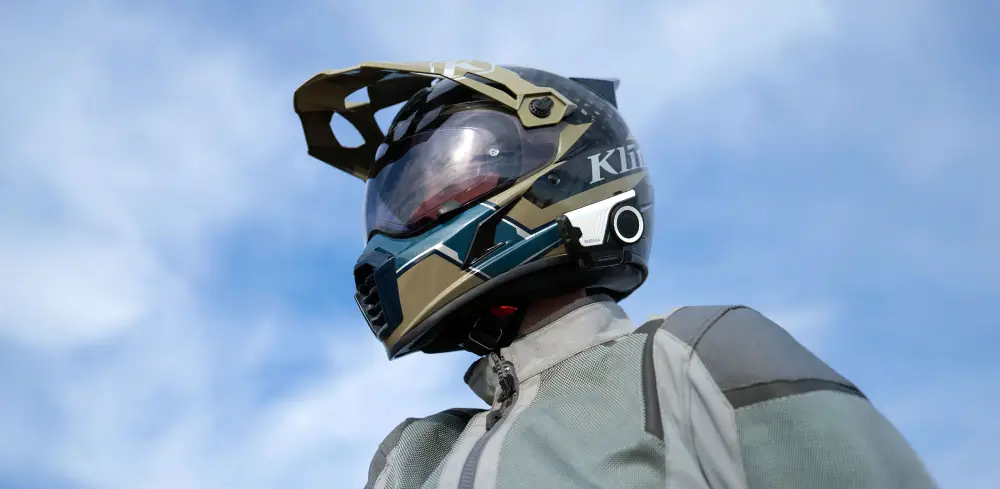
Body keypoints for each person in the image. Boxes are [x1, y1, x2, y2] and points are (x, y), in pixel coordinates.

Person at [294, 61, 938, 489]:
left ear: (568, 166)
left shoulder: (692, 360)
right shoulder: (416, 459)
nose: (416, 214)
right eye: (406, 200)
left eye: (440, 183)